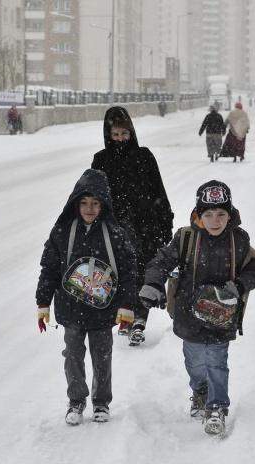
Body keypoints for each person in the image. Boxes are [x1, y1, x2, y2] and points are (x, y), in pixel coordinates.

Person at [138, 180, 255, 436]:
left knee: (217, 363)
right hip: (189, 316)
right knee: (195, 362)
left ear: (229, 215)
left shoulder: (238, 240)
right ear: (198, 215)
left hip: (222, 315)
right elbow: (161, 261)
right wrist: (153, 283)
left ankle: (217, 406)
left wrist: (240, 285)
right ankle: (200, 391)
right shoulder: (185, 238)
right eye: (208, 214)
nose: (215, 220)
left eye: (221, 214)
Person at [35, 169, 138, 426]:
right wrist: (43, 302)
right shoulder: (62, 231)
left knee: (102, 356)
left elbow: (127, 271)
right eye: (84, 203)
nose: (89, 208)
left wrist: (127, 305)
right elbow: (49, 268)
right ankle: (76, 401)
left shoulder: (115, 233)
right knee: (73, 354)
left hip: (104, 309)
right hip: (71, 308)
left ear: (103, 204)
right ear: (75, 203)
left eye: (95, 203)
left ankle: (101, 402)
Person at [91, 106, 174, 346]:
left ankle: (139, 320)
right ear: (109, 135)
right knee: (119, 273)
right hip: (114, 226)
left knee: (142, 272)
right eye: (115, 135)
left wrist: (164, 220)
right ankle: (125, 315)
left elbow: (158, 188)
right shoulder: (101, 159)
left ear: (131, 133)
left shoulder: (144, 156)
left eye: (124, 135)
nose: (120, 140)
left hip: (145, 225)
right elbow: (94, 194)